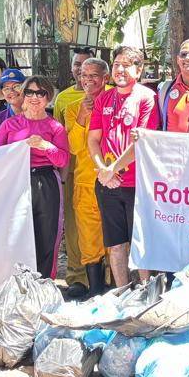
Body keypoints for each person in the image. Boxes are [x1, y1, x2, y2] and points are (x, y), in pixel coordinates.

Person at [88, 45, 159, 287]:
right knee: (115, 244)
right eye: (116, 64)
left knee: (140, 241)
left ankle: (147, 291)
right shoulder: (103, 98)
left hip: (136, 183)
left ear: (138, 71)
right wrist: (102, 170)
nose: (119, 69)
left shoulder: (147, 98)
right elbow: (93, 139)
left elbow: (142, 142)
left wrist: (113, 169)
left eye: (126, 65)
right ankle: (121, 294)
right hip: (107, 183)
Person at [0, 76, 71, 279]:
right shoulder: (9, 125)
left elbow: (64, 159)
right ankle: (18, 285)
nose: (35, 97)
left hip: (46, 181)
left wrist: (46, 146)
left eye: (41, 93)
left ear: (48, 98)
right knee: (17, 235)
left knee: (47, 235)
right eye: (30, 92)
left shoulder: (55, 127)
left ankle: (44, 285)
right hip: (17, 182)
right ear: (23, 95)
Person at [63, 57, 112, 296]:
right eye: (84, 75)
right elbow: (73, 147)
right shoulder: (73, 108)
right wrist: (83, 115)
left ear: (106, 78)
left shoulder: (115, 101)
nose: (88, 80)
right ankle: (94, 290)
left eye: (94, 75)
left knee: (114, 236)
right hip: (85, 180)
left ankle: (116, 286)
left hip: (114, 177)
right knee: (89, 238)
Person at [52, 46, 96, 297]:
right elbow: (62, 139)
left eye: (88, 66)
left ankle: (107, 276)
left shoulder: (111, 94)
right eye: (78, 65)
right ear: (73, 70)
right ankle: (77, 277)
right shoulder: (64, 100)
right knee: (75, 227)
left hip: (104, 171)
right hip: (75, 171)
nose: (83, 71)